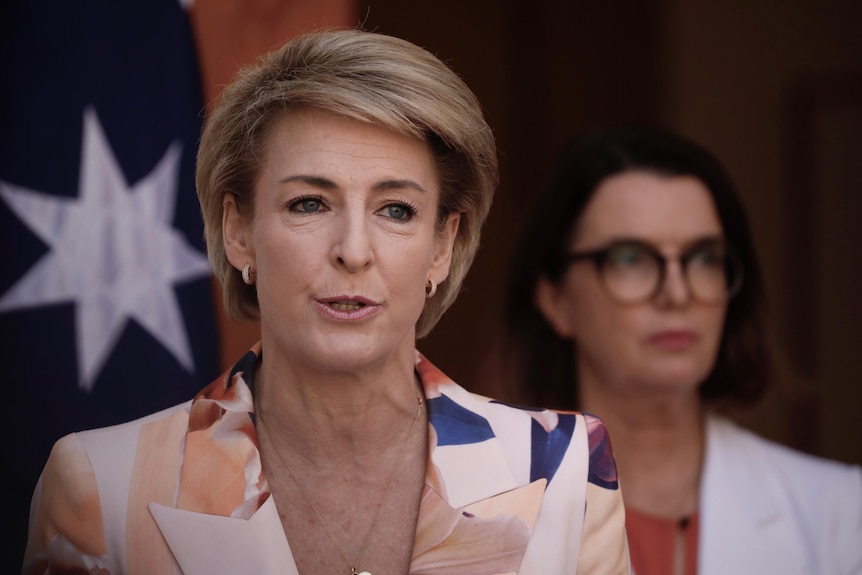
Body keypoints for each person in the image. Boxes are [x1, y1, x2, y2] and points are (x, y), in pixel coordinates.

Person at [22, 29, 631, 574]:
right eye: (309, 203)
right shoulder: (99, 483)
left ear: (441, 247)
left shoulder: (564, 474)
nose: (353, 251)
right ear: (239, 232)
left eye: (396, 210)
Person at [500, 124, 862, 575]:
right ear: (556, 300)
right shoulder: (475, 516)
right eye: (630, 258)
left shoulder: (842, 513)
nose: (678, 293)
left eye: (704, 258)